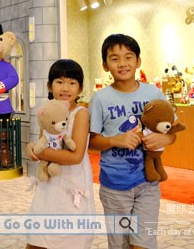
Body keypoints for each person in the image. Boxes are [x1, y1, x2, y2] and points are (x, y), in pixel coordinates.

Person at [89, 34, 176, 249]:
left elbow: (173, 132)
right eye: (114, 58)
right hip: (114, 185)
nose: (122, 63)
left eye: (128, 57)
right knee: (120, 244)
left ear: (138, 61)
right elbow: (92, 142)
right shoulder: (100, 99)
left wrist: (164, 138)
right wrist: (115, 140)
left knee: (144, 243)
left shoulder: (153, 93)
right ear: (105, 65)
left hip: (148, 183)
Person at [26, 59, 94, 249]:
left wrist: (42, 152)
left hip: (72, 181)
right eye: (59, 82)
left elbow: (75, 157)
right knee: (38, 237)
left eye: (72, 83)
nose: (65, 88)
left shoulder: (81, 113)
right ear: (49, 86)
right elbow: (42, 141)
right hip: (48, 183)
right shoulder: (47, 110)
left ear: (80, 88)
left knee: (68, 237)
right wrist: (33, 149)